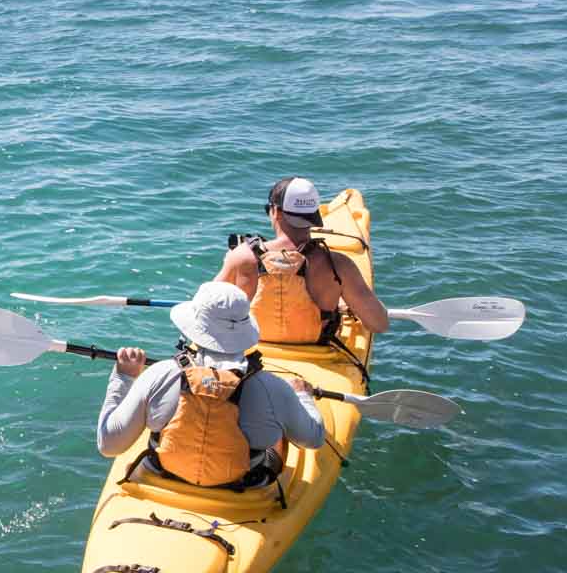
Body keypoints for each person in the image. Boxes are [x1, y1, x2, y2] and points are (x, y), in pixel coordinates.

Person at [97, 282, 324, 488]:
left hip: (163, 475)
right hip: (243, 486)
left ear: (193, 328)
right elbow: (313, 439)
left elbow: (109, 446)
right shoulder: (273, 388)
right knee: (276, 433)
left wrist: (124, 377)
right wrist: (302, 395)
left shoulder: (160, 373)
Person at [212, 177, 388, 343]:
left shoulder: (243, 256)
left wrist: (231, 262)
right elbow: (379, 324)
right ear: (314, 216)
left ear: (276, 212)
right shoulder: (338, 265)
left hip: (254, 347)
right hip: (315, 350)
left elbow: (206, 309)